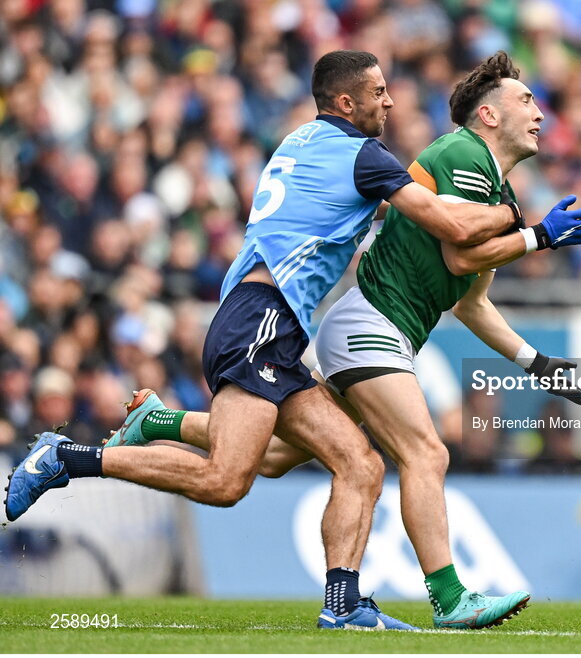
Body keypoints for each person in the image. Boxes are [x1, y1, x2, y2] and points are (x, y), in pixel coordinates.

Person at [4, 50, 535, 631]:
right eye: (378, 91)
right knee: (227, 479)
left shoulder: (299, 141)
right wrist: (525, 226)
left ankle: (343, 605)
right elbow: (453, 226)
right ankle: (66, 457)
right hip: (262, 319)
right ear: (345, 102)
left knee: (355, 462)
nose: (390, 101)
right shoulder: (363, 156)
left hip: (263, 321)